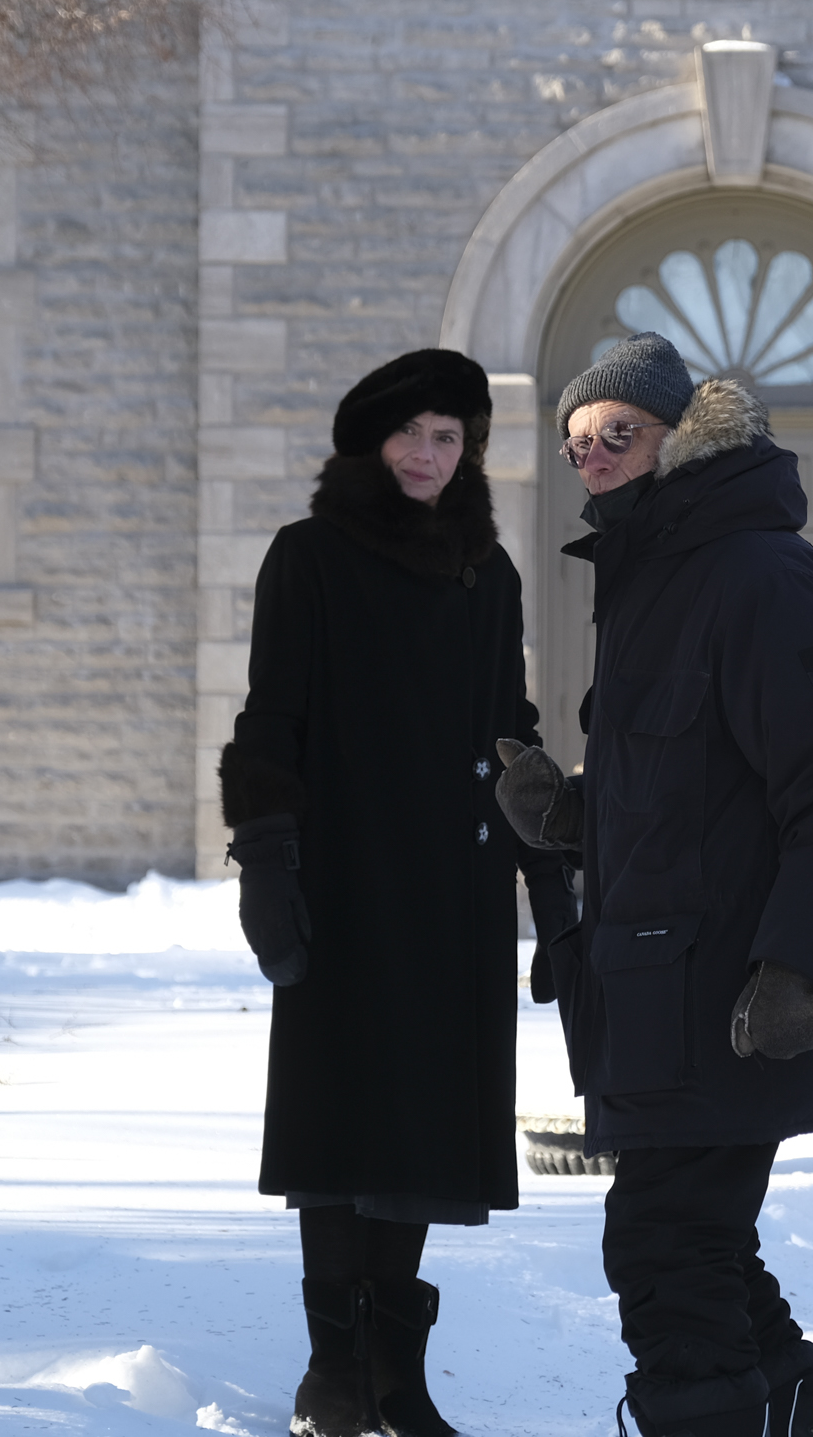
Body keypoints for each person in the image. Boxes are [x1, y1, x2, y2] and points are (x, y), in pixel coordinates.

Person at [493, 331, 813, 1437]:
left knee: (668, 1248)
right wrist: (573, 814)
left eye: (618, 433)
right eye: (577, 444)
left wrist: (795, 969)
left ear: (685, 437)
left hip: (732, 998)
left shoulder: (759, 576)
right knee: (695, 1244)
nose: (594, 457)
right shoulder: (654, 582)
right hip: (659, 997)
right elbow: (692, 793)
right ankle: (794, 1414)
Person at [218, 348, 573, 1437]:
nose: (429, 455)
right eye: (412, 433)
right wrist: (268, 859)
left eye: (450, 437)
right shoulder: (310, 557)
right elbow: (269, 720)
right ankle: (333, 1372)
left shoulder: (490, 574)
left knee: (420, 1131)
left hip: (455, 892)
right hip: (345, 884)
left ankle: (392, 1373)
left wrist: (550, 891)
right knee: (342, 1120)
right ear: (372, 440)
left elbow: (510, 733)